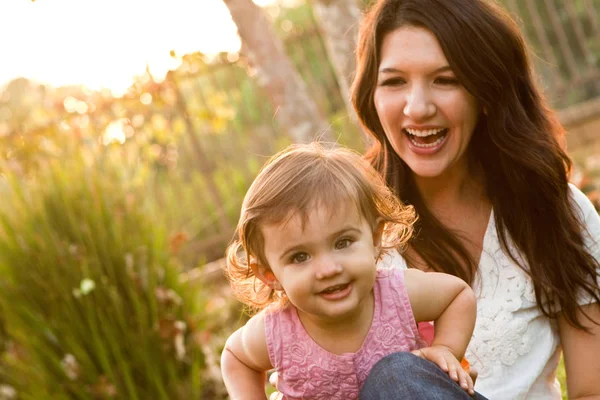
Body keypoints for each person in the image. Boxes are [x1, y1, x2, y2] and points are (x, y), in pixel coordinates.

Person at [350, 0, 600, 398]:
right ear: (372, 96)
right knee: (395, 376)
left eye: (445, 80)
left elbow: (592, 389)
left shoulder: (556, 211)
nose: (418, 108)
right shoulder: (347, 228)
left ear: (487, 91)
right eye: (395, 82)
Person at [220, 143, 483, 399]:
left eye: (342, 243)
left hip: (406, 388)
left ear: (375, 238)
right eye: (300, 257)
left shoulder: (395, 295)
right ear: (270, 274)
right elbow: (234, 357)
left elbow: (457, 295)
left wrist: (445, 349)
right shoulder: (277, 332)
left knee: (395, 372)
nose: (329, 269)